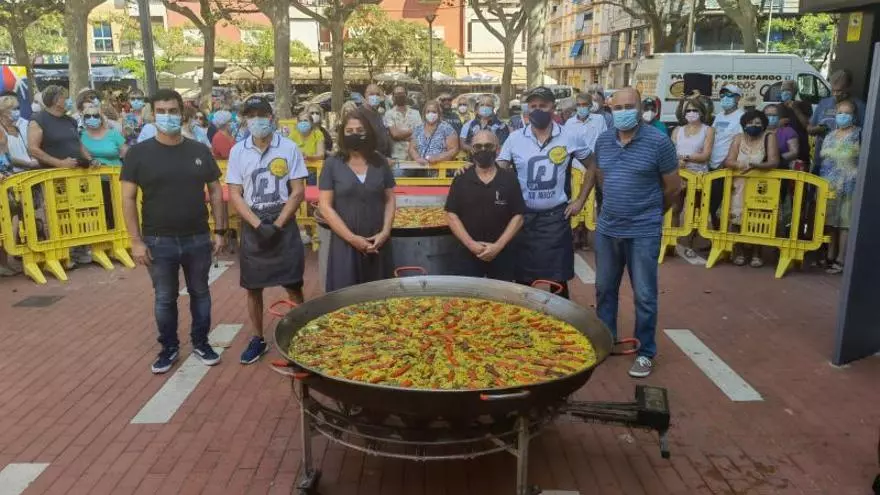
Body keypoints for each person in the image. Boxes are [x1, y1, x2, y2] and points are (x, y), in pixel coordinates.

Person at [120, 89, 226, 374]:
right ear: (153, 115)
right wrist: (135, 241)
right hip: (158, 240)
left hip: (197, 237)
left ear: (182, 113)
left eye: (173, 111)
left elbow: (216, 191)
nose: (167, 116)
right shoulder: (138, 154)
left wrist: (220, 230)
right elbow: (127, 198)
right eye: (161, 111)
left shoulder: (199, 151)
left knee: (200, 292)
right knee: (164, 298)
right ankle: (168, 347)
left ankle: (201, 343)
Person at [592, 87, 680, 378]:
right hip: (608, 229)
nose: (623, 112)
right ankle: (605, 341)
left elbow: (673, 187)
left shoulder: (658, 142)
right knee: (604, 289)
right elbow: (601, 177)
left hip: (643, 231)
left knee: (644, 295)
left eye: (629, 106)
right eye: (617, 108)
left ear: (641, 108)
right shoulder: (603, 141)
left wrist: (652, 212)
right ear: (610, 109)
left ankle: (645, 352)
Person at [226, 96, 308, 364]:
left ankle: (300, 335)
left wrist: (279, 224)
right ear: (245, 119)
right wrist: (258, 225)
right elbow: (235, 193)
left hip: (283, 219)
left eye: (262, 114)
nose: (257, 120)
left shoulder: (289, 148)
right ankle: (257, 338)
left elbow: (297, 191)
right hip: (254, 221)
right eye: (251, 115)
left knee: (293, 284)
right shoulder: (238, 151)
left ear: (271, 117)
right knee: (253, 286)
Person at [497, 86, 593, 299]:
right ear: (527, 109)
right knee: (523, 280)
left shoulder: (569, 136)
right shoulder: (514, 139)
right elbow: (498, 170)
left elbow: (593, 165)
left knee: (557, 279)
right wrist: (471, 170)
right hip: (524, 219)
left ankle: (560, 318)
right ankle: (525, 318)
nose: (538, 109)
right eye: (533, 106)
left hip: (556, 218)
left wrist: (580, 200)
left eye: (543, 105)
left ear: (553, 107)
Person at [318, 108, 397, 291]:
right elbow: (325, 206)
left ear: (368, 132)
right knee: (346, 298)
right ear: (342, 134)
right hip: (345, 245)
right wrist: (352, 239)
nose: (355, 134)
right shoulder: (332, 164)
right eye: (350, 131)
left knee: (381, 296)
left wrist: (385, 232)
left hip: (378, 242)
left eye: (360, 130)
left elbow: (390, 199)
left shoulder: (380, 162)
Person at [445, 130, 525, 279]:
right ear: (472, 150)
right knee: (468, 293)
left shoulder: (509, 179)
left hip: (502, 254)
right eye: (478, 146)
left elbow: (518, 216)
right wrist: (471, 245)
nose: (483, 150)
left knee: (501, 293)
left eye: (488, 146)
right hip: (467, 255)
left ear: (497, 149)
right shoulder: (461, 178)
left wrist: (498, 246)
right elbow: (451, 215)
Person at [724, 109, 780, 268]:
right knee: (737, 217)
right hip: (739, 185)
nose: (753, 126)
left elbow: (774, 161)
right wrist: (739, 164)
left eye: (757, 123)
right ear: (743, 125)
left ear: (763, 125)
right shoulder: (738, 138)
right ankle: (739, 251)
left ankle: (757, 253)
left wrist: (756, 166)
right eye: (750, 123)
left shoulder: (769, 137)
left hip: (761, 186)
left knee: (759, 219)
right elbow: (728, 160)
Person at [818, 100, 860, 275]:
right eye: (840, 112)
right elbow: (823, 157)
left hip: (850, 185)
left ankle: (841, 259)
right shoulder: (830, 135)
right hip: (830, 185)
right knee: (830, 222)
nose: (843, 116)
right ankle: (829, 254)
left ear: (854, 116)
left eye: (847, 113)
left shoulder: (859, 134)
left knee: (845, 224)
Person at [671, 96, 714, 258]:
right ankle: (672, 242)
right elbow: (671, 152)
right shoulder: (677, 130)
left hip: (698, 176)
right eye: (688, 110)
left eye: (694, 110)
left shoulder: (708, 130)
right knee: (675, 208)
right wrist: (679, 161)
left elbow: (705, 155)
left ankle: (690, 243)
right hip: (678, 174)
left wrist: (685, 157)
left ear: (701, 112)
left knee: (694, 211)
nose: (691, 113)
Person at [809, 70, 866, 165]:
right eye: (833, 90)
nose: (835, 94)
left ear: (848, 87)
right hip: (821, 159)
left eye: (839, 91)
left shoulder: (860, 107)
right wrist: (818, 129)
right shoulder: (824, 104)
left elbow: (864, 137)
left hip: (846, 163)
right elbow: (810, 128)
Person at [709, 84, 745, 228]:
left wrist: (725, 162)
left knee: (726, 206)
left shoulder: (741, 117)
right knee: (712, 205)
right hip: (712, 166)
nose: (725, 98)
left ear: (737, 98)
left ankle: (726, 235)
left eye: (729, 95)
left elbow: (739, 142)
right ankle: (715, 235)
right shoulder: (719, 116)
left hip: (726, 167)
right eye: (722, 95)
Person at [408, 100, 460, 173]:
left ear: (439, 113)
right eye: (428, 112)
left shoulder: (447, 128)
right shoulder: (418, 129)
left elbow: (454, 150)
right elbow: (412, 148)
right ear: (424, 113)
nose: (431, 114)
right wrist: (417, 158)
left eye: (434, 112)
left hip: (441, 170)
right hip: (420, 169)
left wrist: (437, 158)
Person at [79, 102, 127, 166]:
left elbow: (126, 153)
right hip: (90, 171)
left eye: (95, 116)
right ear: (84, 119)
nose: (92, 118)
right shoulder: (81, 135)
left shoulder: (114, 134)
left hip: (114, 170)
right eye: (88, 116)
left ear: (101, 118)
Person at [778, 79, 813, 166]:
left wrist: (795, 107)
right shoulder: (779, 107)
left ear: (794, 91)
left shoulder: (804, 105)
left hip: (801, 148)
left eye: (787, 90)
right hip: (784, 151)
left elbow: (806, 125)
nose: (784, 92)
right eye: (782, 90)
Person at [384, 85, 423, 161]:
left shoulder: (415, 113)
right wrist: (412, 131)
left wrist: (400, 134)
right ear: (393, 97)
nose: (400, 96)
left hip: (415, 156)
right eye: (397, 94)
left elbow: (419, 133)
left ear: (406, 95)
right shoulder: (389, 114)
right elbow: (395, 134)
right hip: (397, 156)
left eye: (402, 93)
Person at [0, 95, 38, 172]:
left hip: (28, 172)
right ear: (3, 112)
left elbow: (26, 150)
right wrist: (28, 164)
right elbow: (5, 158)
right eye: (14, 109)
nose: (18, 111)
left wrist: (33, 159)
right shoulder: (1, 130)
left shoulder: (17, 128)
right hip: (13, 175)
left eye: (18, 108)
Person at [362, 84, 392, 157]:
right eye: (371, 94)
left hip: (384, 158)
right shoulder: (359, 114)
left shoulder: (378, 114)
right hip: (370, 158)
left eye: (377, 94)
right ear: (365, 95)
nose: (375, 97)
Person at [764, 104, 799, 169]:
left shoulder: (788, 131)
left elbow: (794, 152)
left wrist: (774, 159)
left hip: (782, 168)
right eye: (768, 115)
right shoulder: (759, 132)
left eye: (774, 115)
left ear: (779, 117)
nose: (771, 118)